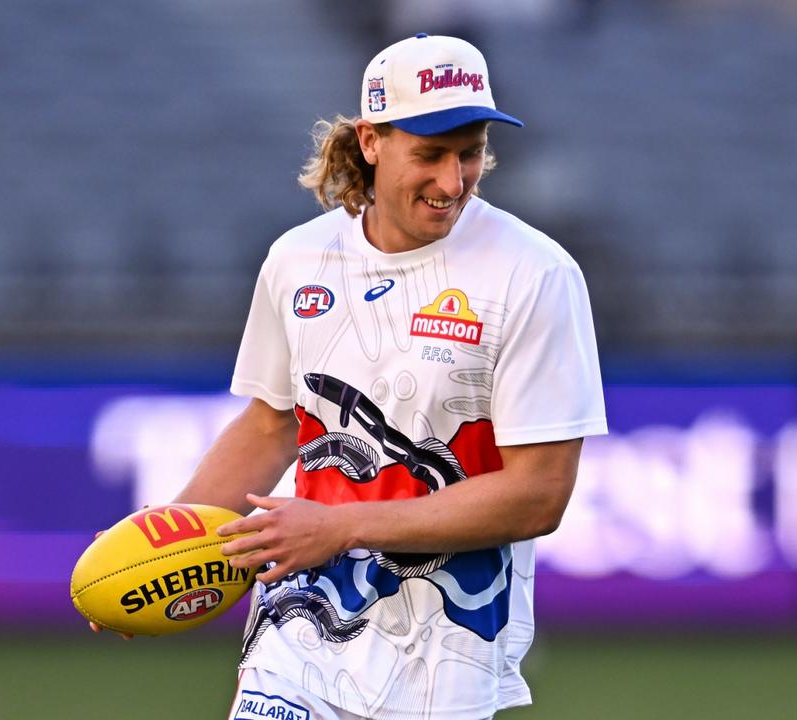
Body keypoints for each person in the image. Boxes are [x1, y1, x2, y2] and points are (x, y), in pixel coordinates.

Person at [178, 33, 606, 719]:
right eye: (430, 155)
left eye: (469, 153)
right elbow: (270, 425)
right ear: (371, 140)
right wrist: (163, 544)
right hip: (298, 638)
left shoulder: (536, 274)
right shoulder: (298, 260)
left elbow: (540, 495)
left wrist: (340, 528)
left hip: (448, 657)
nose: (453, 181)